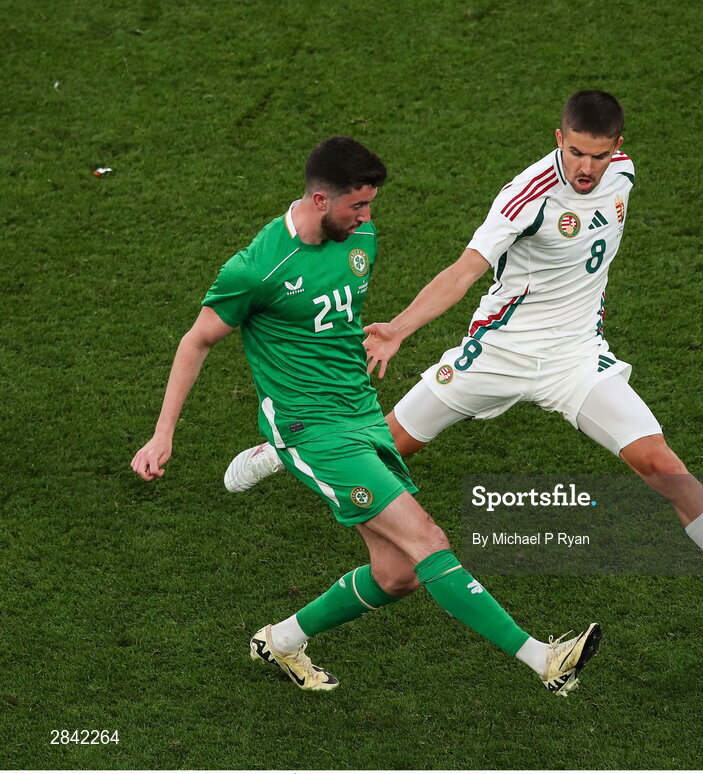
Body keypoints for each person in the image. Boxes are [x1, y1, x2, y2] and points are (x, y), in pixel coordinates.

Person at [226, 92, 703, 632]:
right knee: (384, 448)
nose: (585, 167)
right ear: (559, 137)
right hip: (497, 352)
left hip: (577, 359)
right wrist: (398, 329)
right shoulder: (528, 194)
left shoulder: (624, 173)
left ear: (617, 147)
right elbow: (464, 269)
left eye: (598, 155)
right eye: (575, 150)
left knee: (662, 465)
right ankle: (280, 450)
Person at [131, 136, 601, 695]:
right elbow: (195, 342)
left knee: (396, 575)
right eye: (358, 206)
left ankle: (280, 641)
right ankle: (543, 659)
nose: (368, 218)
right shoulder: (257, 269)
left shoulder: (361, 239)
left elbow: (331, 320)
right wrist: (162, 437)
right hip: (314, 431)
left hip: (363, 415)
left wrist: (386, 336)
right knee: (428, 538)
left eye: (370, 205)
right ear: (320, 200)